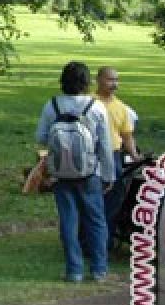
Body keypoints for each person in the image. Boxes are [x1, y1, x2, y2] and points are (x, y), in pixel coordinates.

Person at [35, 61, 116, 283]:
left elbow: (41, 137)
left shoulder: (52, 105)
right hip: (90, 172)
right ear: (87, 82)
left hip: (61, 173)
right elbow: (105, 146)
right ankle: (99, 269)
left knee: (68, 221)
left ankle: (74, 270)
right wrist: (108, 176)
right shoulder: (96, 107)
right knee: (96, 220)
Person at [92, 66, 139, 253]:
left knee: (112, 202)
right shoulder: (90, 103)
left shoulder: (121, 108)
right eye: (110, 80)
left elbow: (127, 136)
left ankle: (106, 241)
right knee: (93, 200)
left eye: (116, 80)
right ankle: (89, 240)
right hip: (93, 156)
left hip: (114, 156)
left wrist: (135, 155)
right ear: (99, 80)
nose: (114, 84)